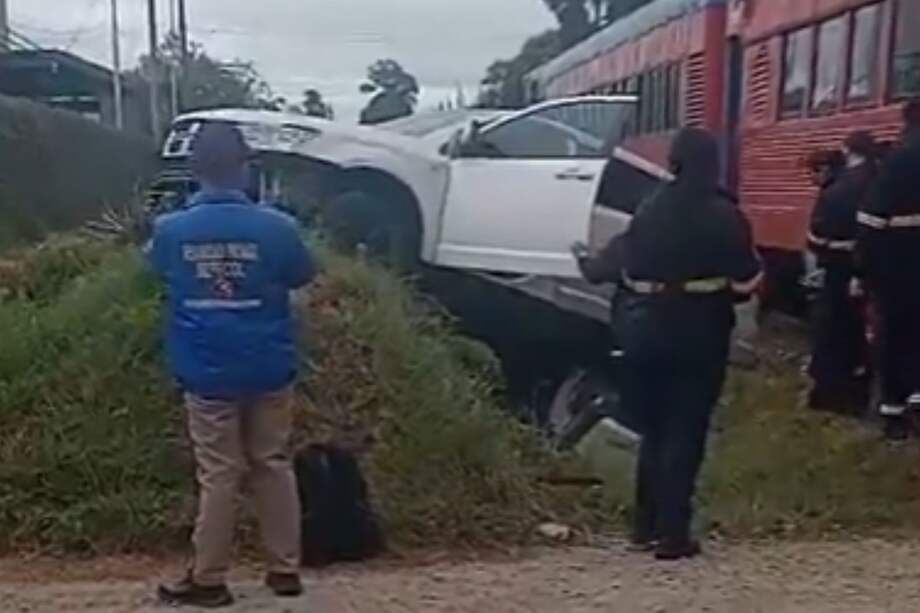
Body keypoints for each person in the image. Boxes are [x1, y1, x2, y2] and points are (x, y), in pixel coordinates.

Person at [573, 128, 762, 560]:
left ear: (673, 161)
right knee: (685, 429)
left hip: (644, 331)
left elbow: (608, 266)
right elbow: (746, 279)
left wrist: (588, 261)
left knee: (654, 429)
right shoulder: (724, 214)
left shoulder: (649, 207)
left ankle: (644, 527)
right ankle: (674, 533)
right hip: (699, 331)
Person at [148, 123, 315, 607]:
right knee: (272, 462)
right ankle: (285, 570)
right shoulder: (279, 227)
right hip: (268, 364)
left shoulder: (170, 230)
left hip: (206, 371)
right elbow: (301, 274)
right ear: (245, 168)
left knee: (219, 472)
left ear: (194, 170)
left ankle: (209, 578)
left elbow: (159, 271)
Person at [857, 100, 920, 440]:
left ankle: (894, 414)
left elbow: (870, 221)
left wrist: (863, 270)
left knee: (894, 338)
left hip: (897, 269)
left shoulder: (898, 162)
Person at [806, 133, 877, 414]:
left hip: (838, 269)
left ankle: (829, 394)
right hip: (874, 268)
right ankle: (860, 391)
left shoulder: (839, 190)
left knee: (831, 330)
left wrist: (821, 249)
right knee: (860, 332)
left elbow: (816, 236)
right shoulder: (880, 179)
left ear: (848, 152)